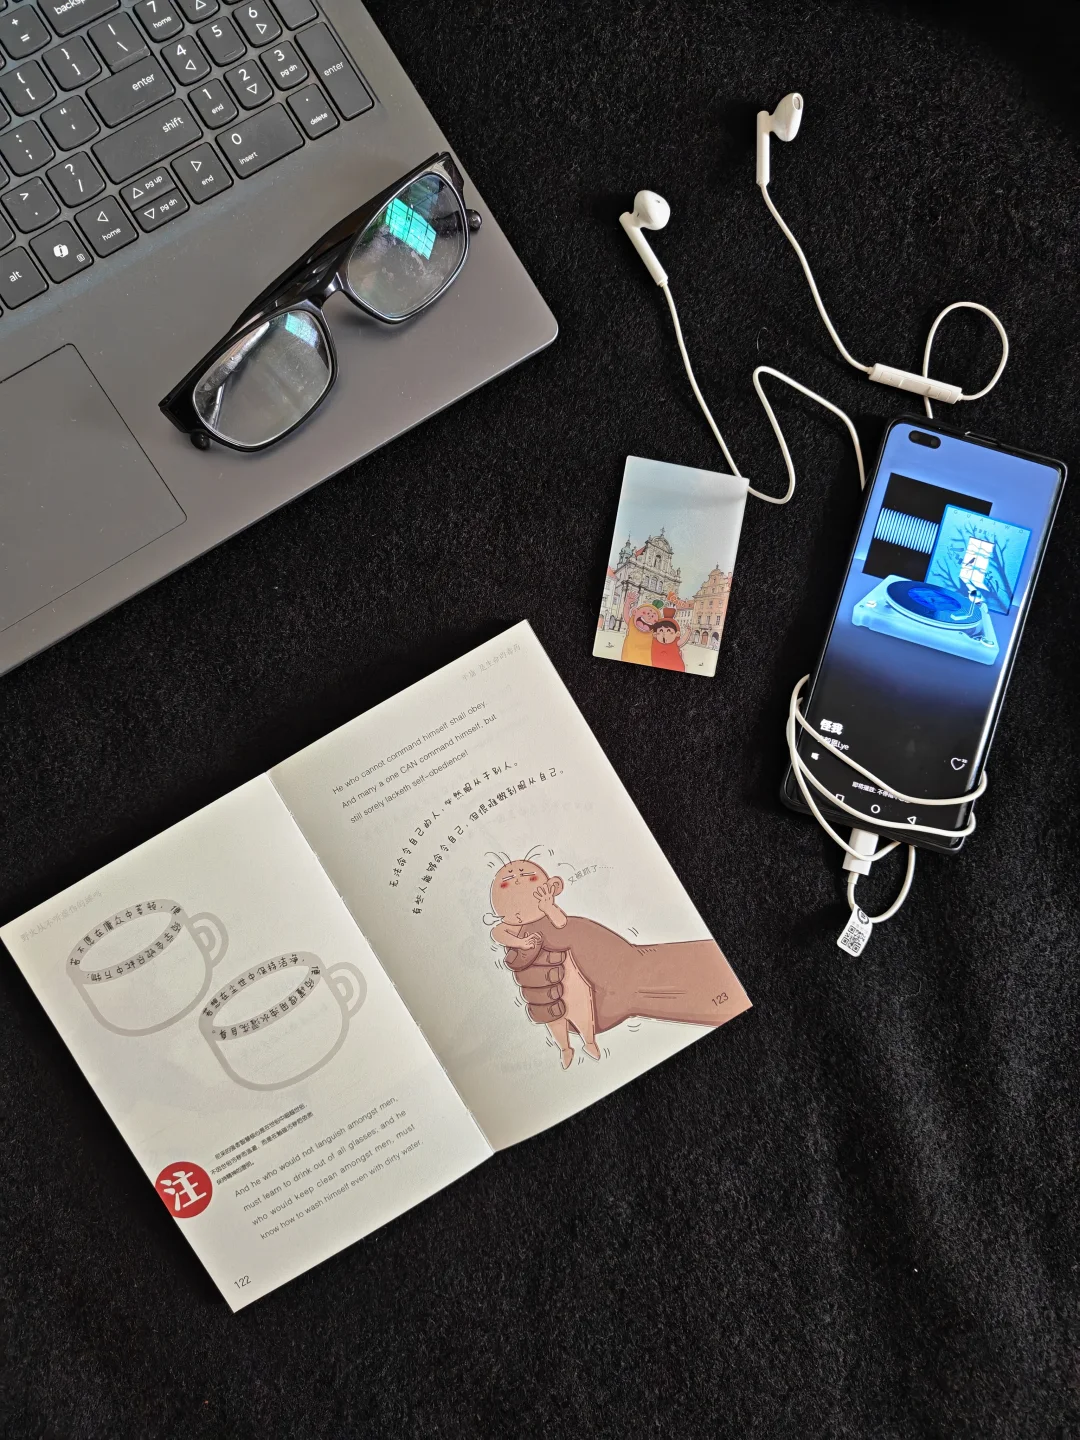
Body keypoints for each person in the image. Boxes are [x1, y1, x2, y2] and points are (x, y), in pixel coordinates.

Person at [619, 591, 657, 666]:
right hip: (629, 655)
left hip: (645, 659)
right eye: (647, 613)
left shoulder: (653, 632)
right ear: (634, 612)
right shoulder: (632, 623)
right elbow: (626, 615)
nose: (649, 616)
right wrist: (627, 603)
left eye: (653, 616)